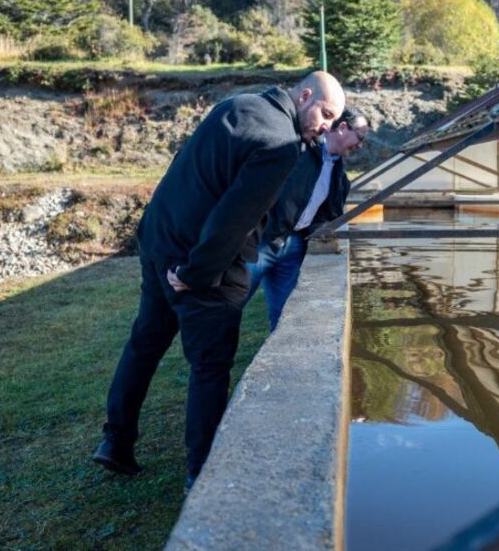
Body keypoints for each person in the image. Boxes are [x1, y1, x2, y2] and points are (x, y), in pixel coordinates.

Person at [93, 72, 346, 490]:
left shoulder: (235, 105)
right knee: (210, 368)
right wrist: (195, 275)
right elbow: (235, 219)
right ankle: (203, 475)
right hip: (198, 268)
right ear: (305, 96)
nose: (326, 126)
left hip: (160, 244)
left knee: (144, 345)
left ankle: (115, 441)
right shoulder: (281, 145)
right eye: (325, 113)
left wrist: (159, 243)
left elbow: (183, 172)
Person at [246, 107, 370, 331]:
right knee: (230, 305)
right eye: (360, 137)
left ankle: (279, 362)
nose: (361, 145)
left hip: (293, 245)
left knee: (284, 316)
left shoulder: (338, 173)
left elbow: (327, 213)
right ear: (342, 128)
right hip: (261, 241)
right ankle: (210, 363)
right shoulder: (298, 151)